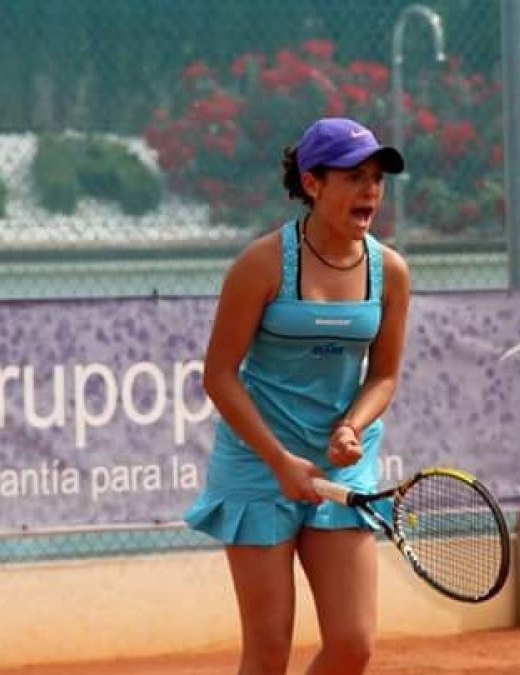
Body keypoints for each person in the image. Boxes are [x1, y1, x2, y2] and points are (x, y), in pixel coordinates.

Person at [184, 117, 412, 675]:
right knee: (267, 651)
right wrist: (279, 460)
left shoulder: (390, 271)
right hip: (260, 461)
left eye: (377, 179)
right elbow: (219, 375)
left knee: (352, 645)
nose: (371, 192)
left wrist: (351, 426)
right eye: (355, 177)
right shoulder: (261, 264)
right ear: (313, 184)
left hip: (341, 464)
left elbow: (383, 376)